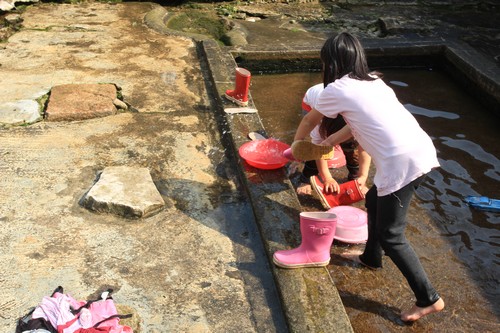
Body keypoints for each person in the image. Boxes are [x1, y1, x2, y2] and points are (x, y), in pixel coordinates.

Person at [293, 32, 445, 322]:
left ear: (331, 62)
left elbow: (309, 120)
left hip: (402, 162)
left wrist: (295, 149)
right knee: (374, 197)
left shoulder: (336, 89)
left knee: (392, 235)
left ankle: (429, 298)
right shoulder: (374, 81)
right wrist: (330, 142)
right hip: (419, 151)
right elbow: (354, 124)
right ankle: (371, 258)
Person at [296, 83, 361, 196]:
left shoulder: (359, 119)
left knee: (352, 147)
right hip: (312, 102)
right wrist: (328, 178)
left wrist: (362, 176)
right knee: (315, 148)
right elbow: (318, 149)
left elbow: (363, 149)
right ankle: (306, 177)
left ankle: (355, 177)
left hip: (341, 101)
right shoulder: (320, 123)